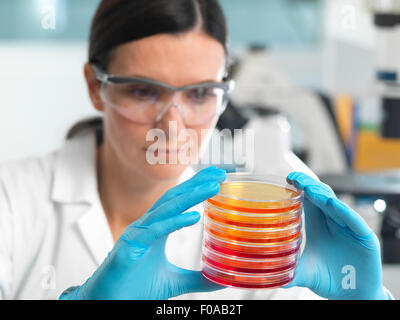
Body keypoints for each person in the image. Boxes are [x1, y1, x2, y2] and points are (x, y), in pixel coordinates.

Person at [0, 0, 392, 300]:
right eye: (142, 91)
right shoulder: (12, 201)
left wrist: (364, 296)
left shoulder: (248, 232)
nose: (173, 126)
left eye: (202, 93)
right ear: (94, 87)